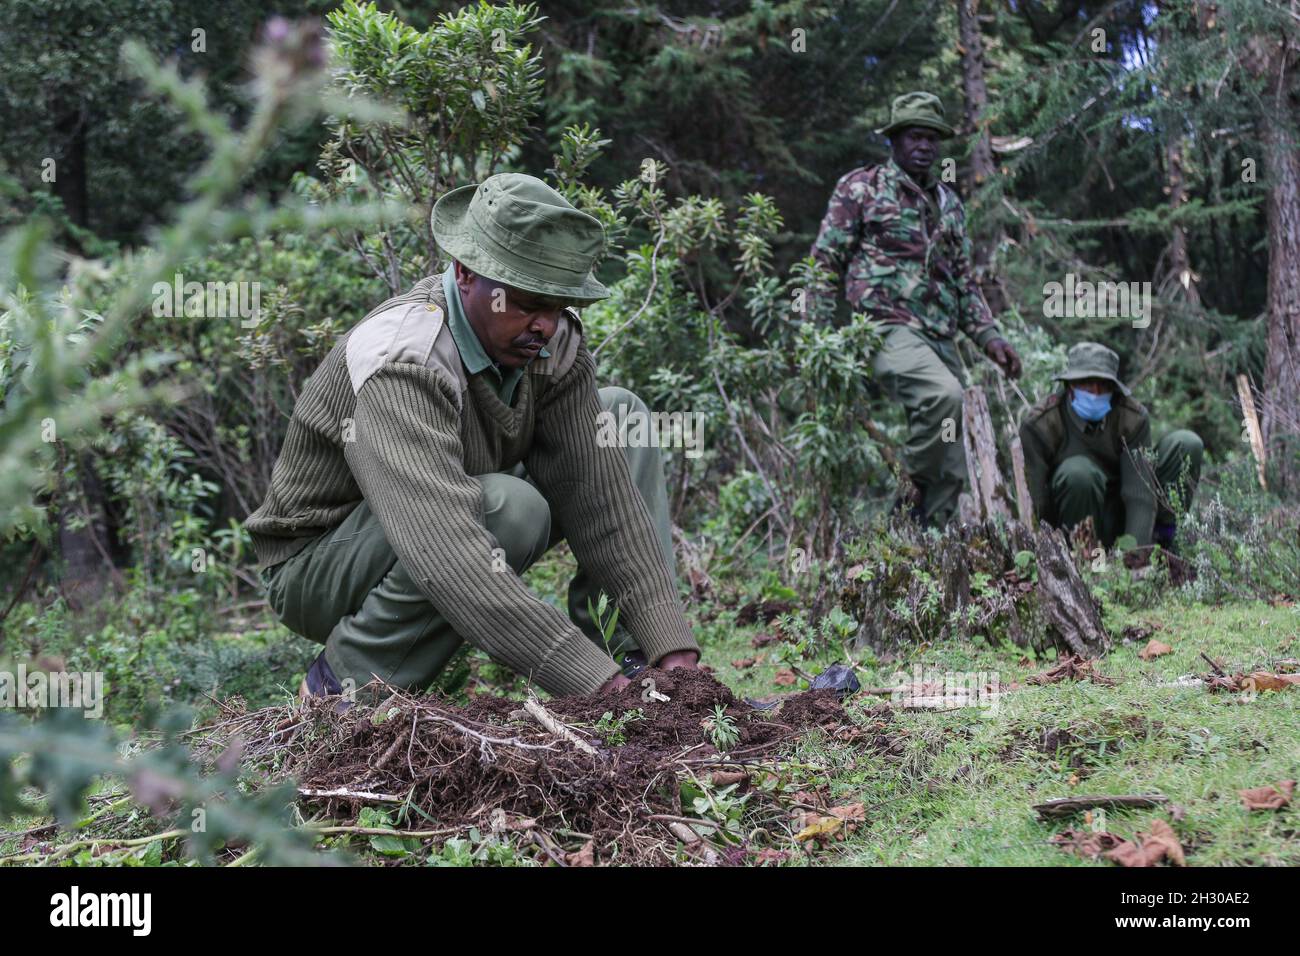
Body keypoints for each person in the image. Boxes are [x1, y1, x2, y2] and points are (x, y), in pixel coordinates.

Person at [245, 173, 701, 701]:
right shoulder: (403, 359)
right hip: (319, 564)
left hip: (441, 509)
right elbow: (448, 550)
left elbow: (602, 503)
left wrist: (671, 648)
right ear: (465, 274)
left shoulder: (552, 346)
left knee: (620, 416)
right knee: (510, 508)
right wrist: (593, 685)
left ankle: (645, 676)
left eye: (555, 306)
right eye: (526, 303)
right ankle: (341, 690)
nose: (544, 326)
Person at [811, 90, 1022, 526]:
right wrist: (812, 334)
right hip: (886, 328)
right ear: (894, 141)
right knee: (942, 396)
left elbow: (964, 283)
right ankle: (907, 507)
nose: (923, 147)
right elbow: (824, 262)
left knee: (954, 440)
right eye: (913, 137)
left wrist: (991, 338)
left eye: (931, 138)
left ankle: (928, 545)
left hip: (940, 336)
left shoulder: (950, 205)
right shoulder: (862, 188)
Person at [1019, 342, 1203, 553]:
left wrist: (1136, 554)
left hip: (1121, 517)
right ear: (1070, 385)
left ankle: (1165, 545)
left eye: (1104, 385)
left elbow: (1139, 491)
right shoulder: (1041, 425)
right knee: (1079, 473)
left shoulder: (1130, 418)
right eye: (1087, 383)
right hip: (1071, 521)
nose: (1095, 392)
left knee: (1186, 443)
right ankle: (1088, 563)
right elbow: (1037, 504)